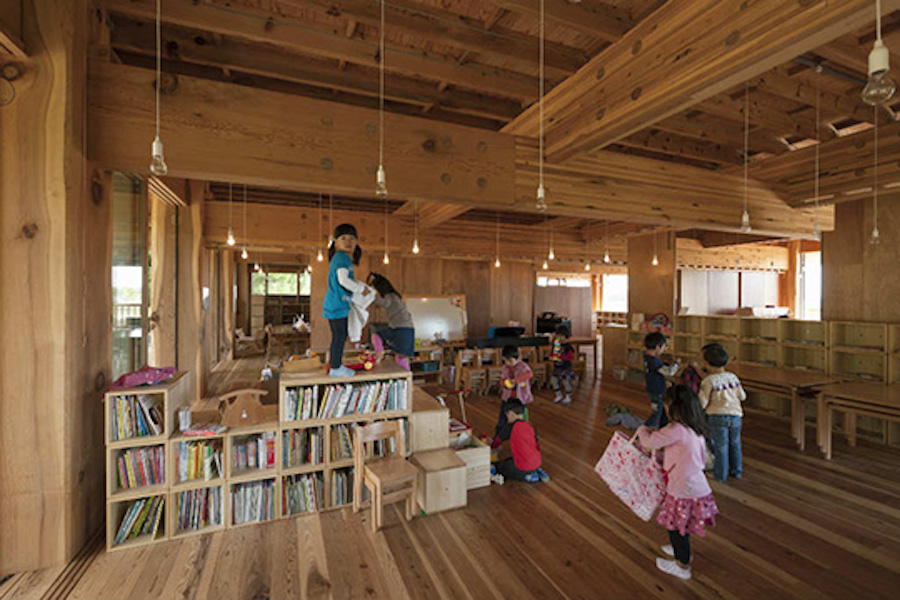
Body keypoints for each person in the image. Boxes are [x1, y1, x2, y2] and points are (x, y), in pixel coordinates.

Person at [637, 385, 719, 581]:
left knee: (675, 527)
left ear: (675, 407)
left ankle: (682, 564)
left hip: (683, 487)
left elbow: (649, 442)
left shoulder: (676, 429)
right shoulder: (694, 428)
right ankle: (680, 551)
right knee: (682, 523)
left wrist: (642, 429)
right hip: (693, 484)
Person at [698, 343, 746, 482]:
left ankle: (720, 475)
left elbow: (703, 402)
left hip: (717, 416)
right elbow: (743, 396)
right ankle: (736, 471)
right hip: (736, 415)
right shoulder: (733, 377)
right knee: (735, 444)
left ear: (706, 363)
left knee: (721, 446)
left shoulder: (708, 381)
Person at [323, 224, 366, 377]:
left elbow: (346, 281)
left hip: (336, 304)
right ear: (336, 242)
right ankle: (335, 368)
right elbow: (343, 281)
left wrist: (357, 285)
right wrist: (359, 289)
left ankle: (336, 365)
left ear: (356, 242)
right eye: (343, 238)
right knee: (339, 336)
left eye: (352, 239)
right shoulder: (341, 258)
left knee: (339, 336)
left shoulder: (343, 258)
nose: (348, 242)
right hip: (336, 305)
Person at [490, 400, 549, 483]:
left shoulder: (510, 427)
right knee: (511, 460)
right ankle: (537, 470)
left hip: (522, 466)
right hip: (537, 461)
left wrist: (490, 447)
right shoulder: (531, 426)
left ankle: (529, 476)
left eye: (507, 415)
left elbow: (497, 441)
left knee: (499, 466)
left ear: (511, 413)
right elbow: (537, 446)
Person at [366, 273, 415, 371]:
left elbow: (384, 303)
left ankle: (379, 353)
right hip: (407, 329)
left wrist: (371, 296)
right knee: (400, 359)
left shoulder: (390, 296)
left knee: (376, 335)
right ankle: (408, 381)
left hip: (401, 329)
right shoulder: (396, 296)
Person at [492, 345, 533, 445]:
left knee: (519, 421)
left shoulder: (522, 366)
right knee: (502, 420)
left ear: (517, 358)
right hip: (507, 398)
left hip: (520, 399)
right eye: (506, 361)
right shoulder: (505, 368)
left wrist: (516, 380)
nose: (509, 363)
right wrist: (504, 383)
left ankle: (520, 439)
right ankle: (498, 439)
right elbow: (502, 380)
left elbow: (529, 374)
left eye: (511, 361)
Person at [643, 332, 679, 427]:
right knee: (656, 414)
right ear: (658, 347)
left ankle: (662, 427)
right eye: (663, 347)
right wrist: (677, 364)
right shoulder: (654, 361)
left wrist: (664, 363)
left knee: (662, 409)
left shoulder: (647, 357)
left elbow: (657, 369)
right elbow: (669, 372)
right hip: (657, 390)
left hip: (652, 388)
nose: (664, 349)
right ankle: (646, 429)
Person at [549, 324, 575, 405]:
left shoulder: (568, 347)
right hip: (557, 366)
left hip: (565, 367)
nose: (559, 337)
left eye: (561, 336)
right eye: (558, 335)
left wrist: (561, 357)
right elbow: (553, 353)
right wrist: (551, 356)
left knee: (565, 381)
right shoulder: (556, 345)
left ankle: (568, 396)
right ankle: (558, 395)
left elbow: (569, 356)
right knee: (554, 380)